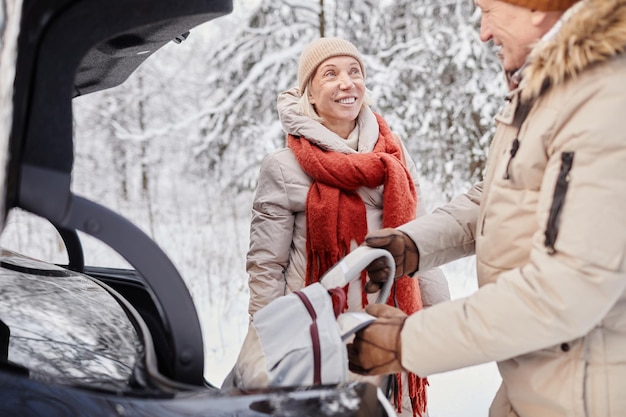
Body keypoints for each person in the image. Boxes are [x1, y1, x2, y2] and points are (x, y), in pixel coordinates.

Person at [347, 0, 626, 416]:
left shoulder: (604, 103)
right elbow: (498, 194)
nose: (483, 32)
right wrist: (413, 243)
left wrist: (408, 342)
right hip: (537, 376)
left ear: (535, 8)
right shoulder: (552, 90)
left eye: (489, 10)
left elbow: (566, 289)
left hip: (583, 394)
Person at [245, 37, 450, 416]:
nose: (346, 82)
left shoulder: (393, 153)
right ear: (309, 90)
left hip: (385, 324)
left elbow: (417, 235)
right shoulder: (283, 166)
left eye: (354, 72)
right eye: (331, 74)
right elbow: (266, 265)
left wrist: (436, 316)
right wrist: (268, 339)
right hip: (322, 332)